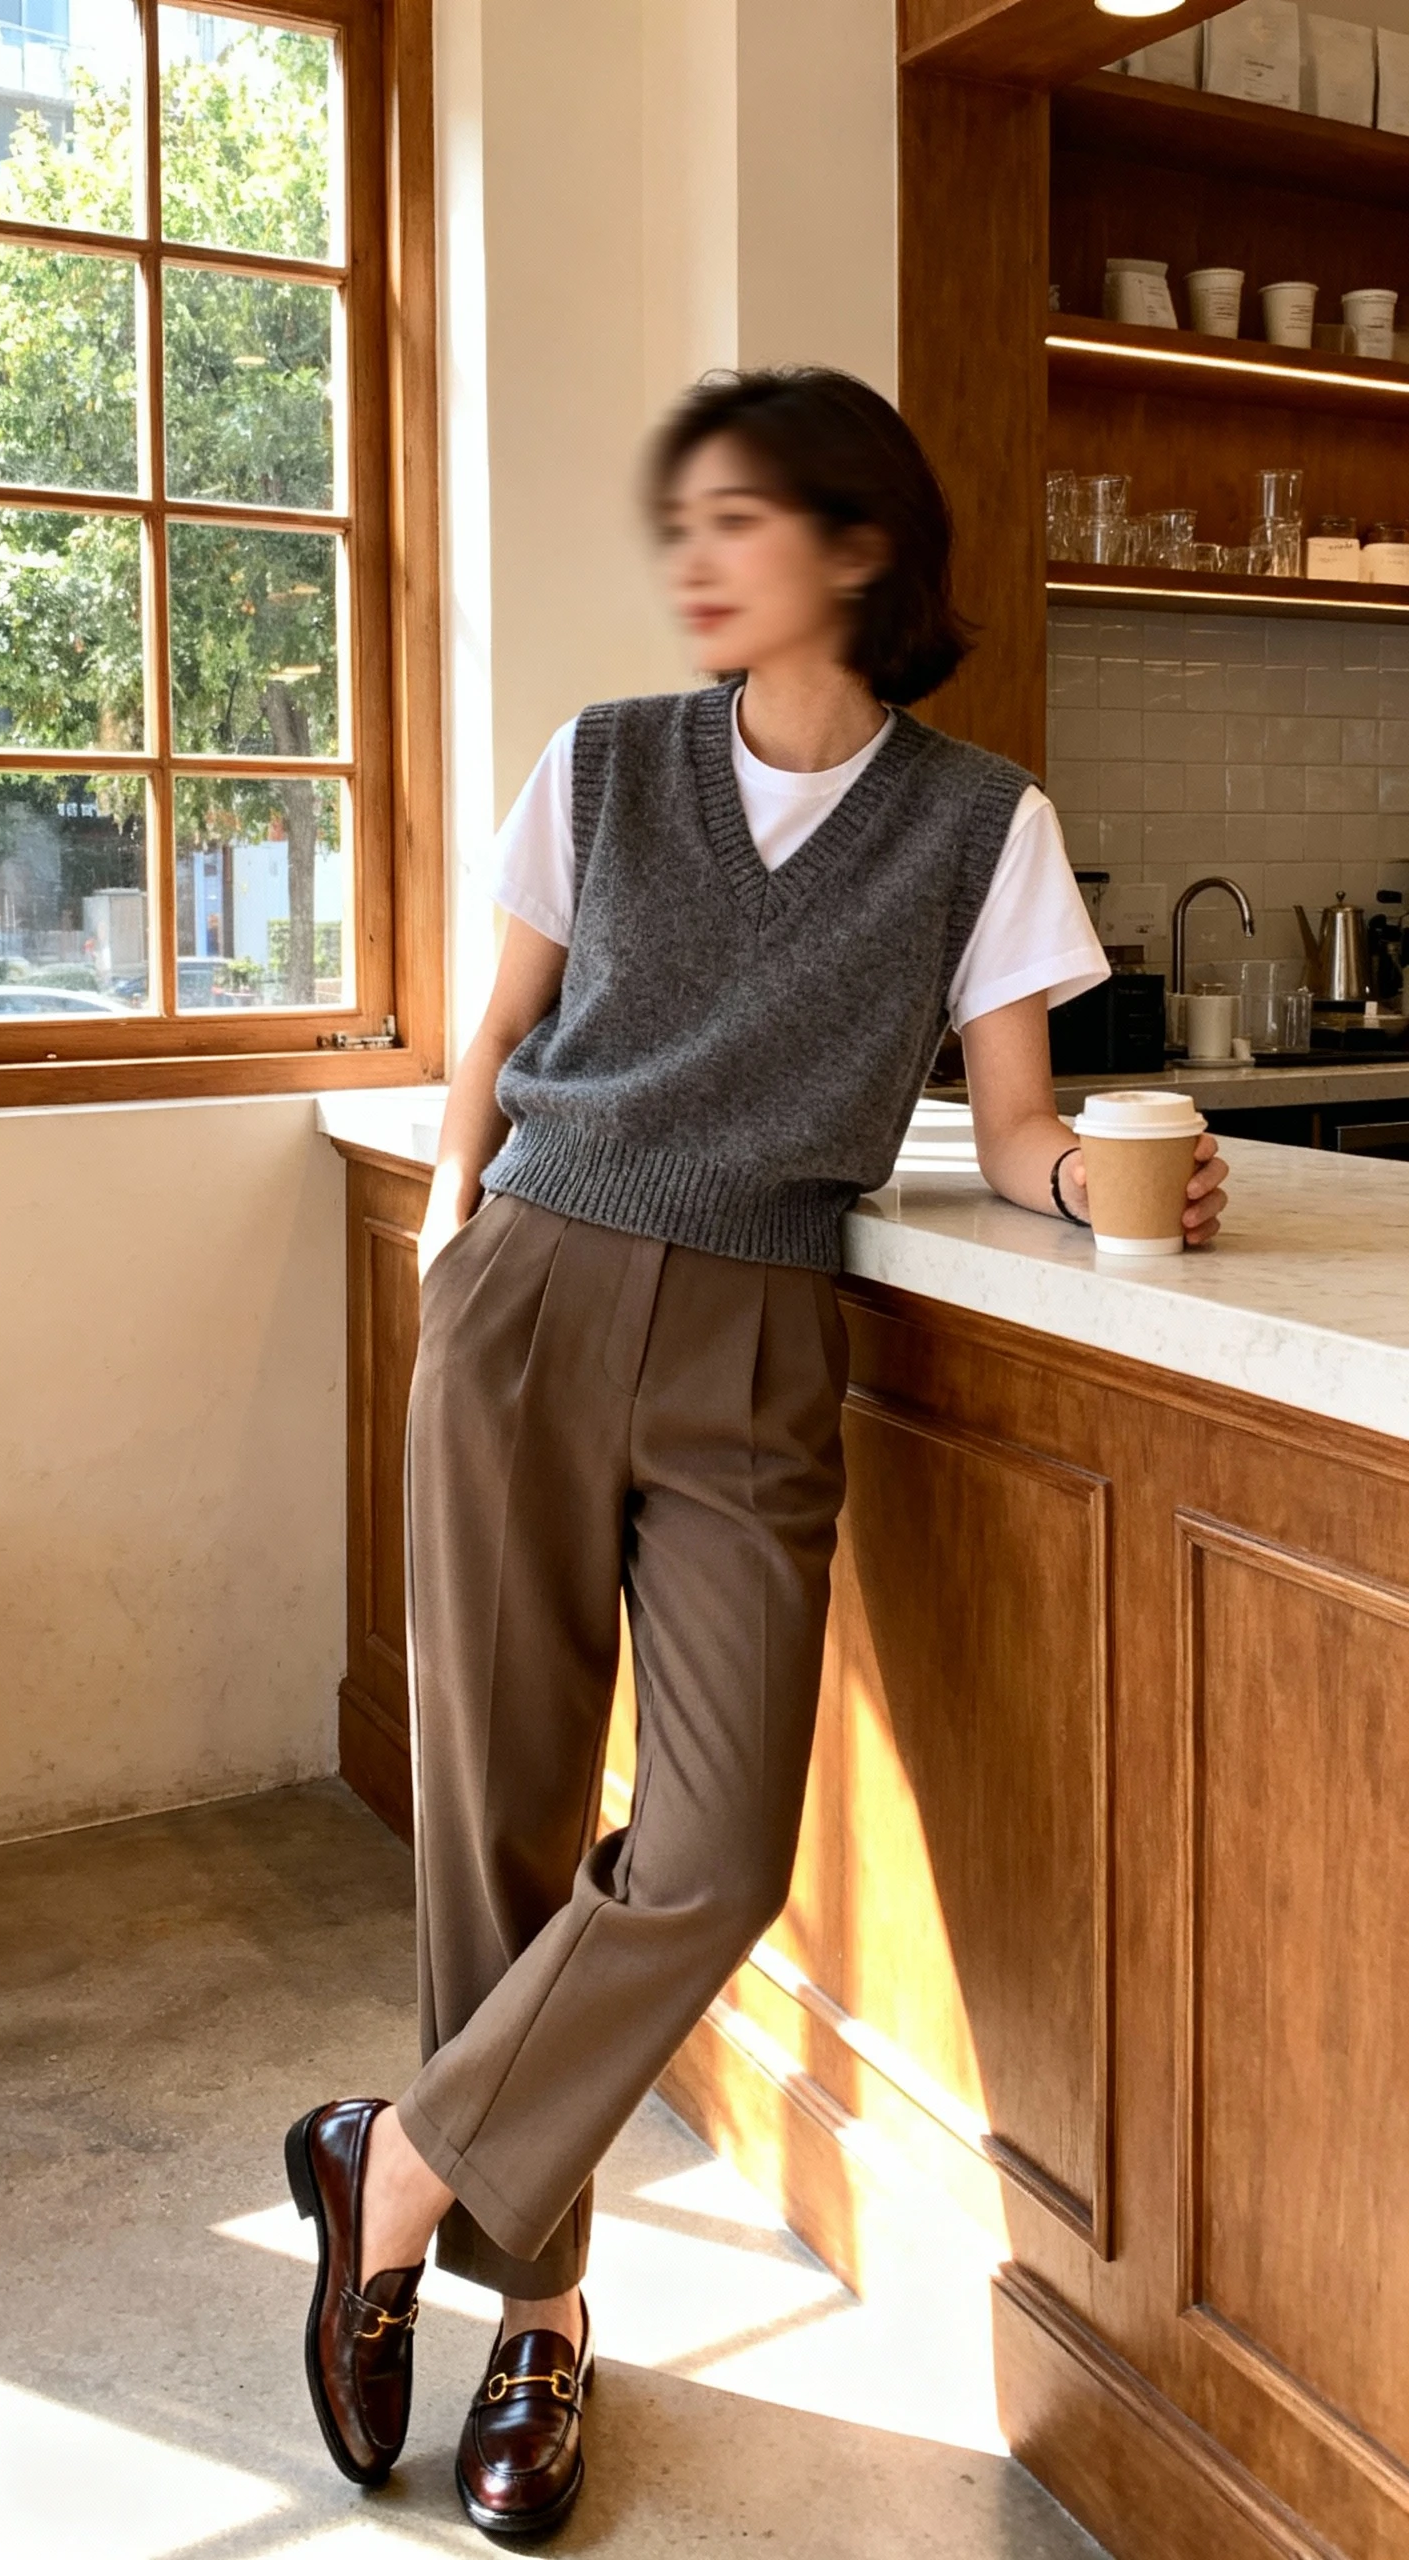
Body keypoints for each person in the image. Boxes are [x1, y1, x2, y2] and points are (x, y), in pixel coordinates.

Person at [283, 366, 1229, 2539]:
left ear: (860, 549)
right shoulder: (603, 762)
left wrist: (1109, 1186)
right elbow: (495, 1041)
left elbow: (1007, 1130)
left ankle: (392, 2165)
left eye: (738, 522)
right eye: (683, 524)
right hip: (529, 1294)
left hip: (756, 1341)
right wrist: (450, 1252)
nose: (694, 562)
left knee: (711, 1848)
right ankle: (540, 2325)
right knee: (499, 1827)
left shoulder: (978, 820)